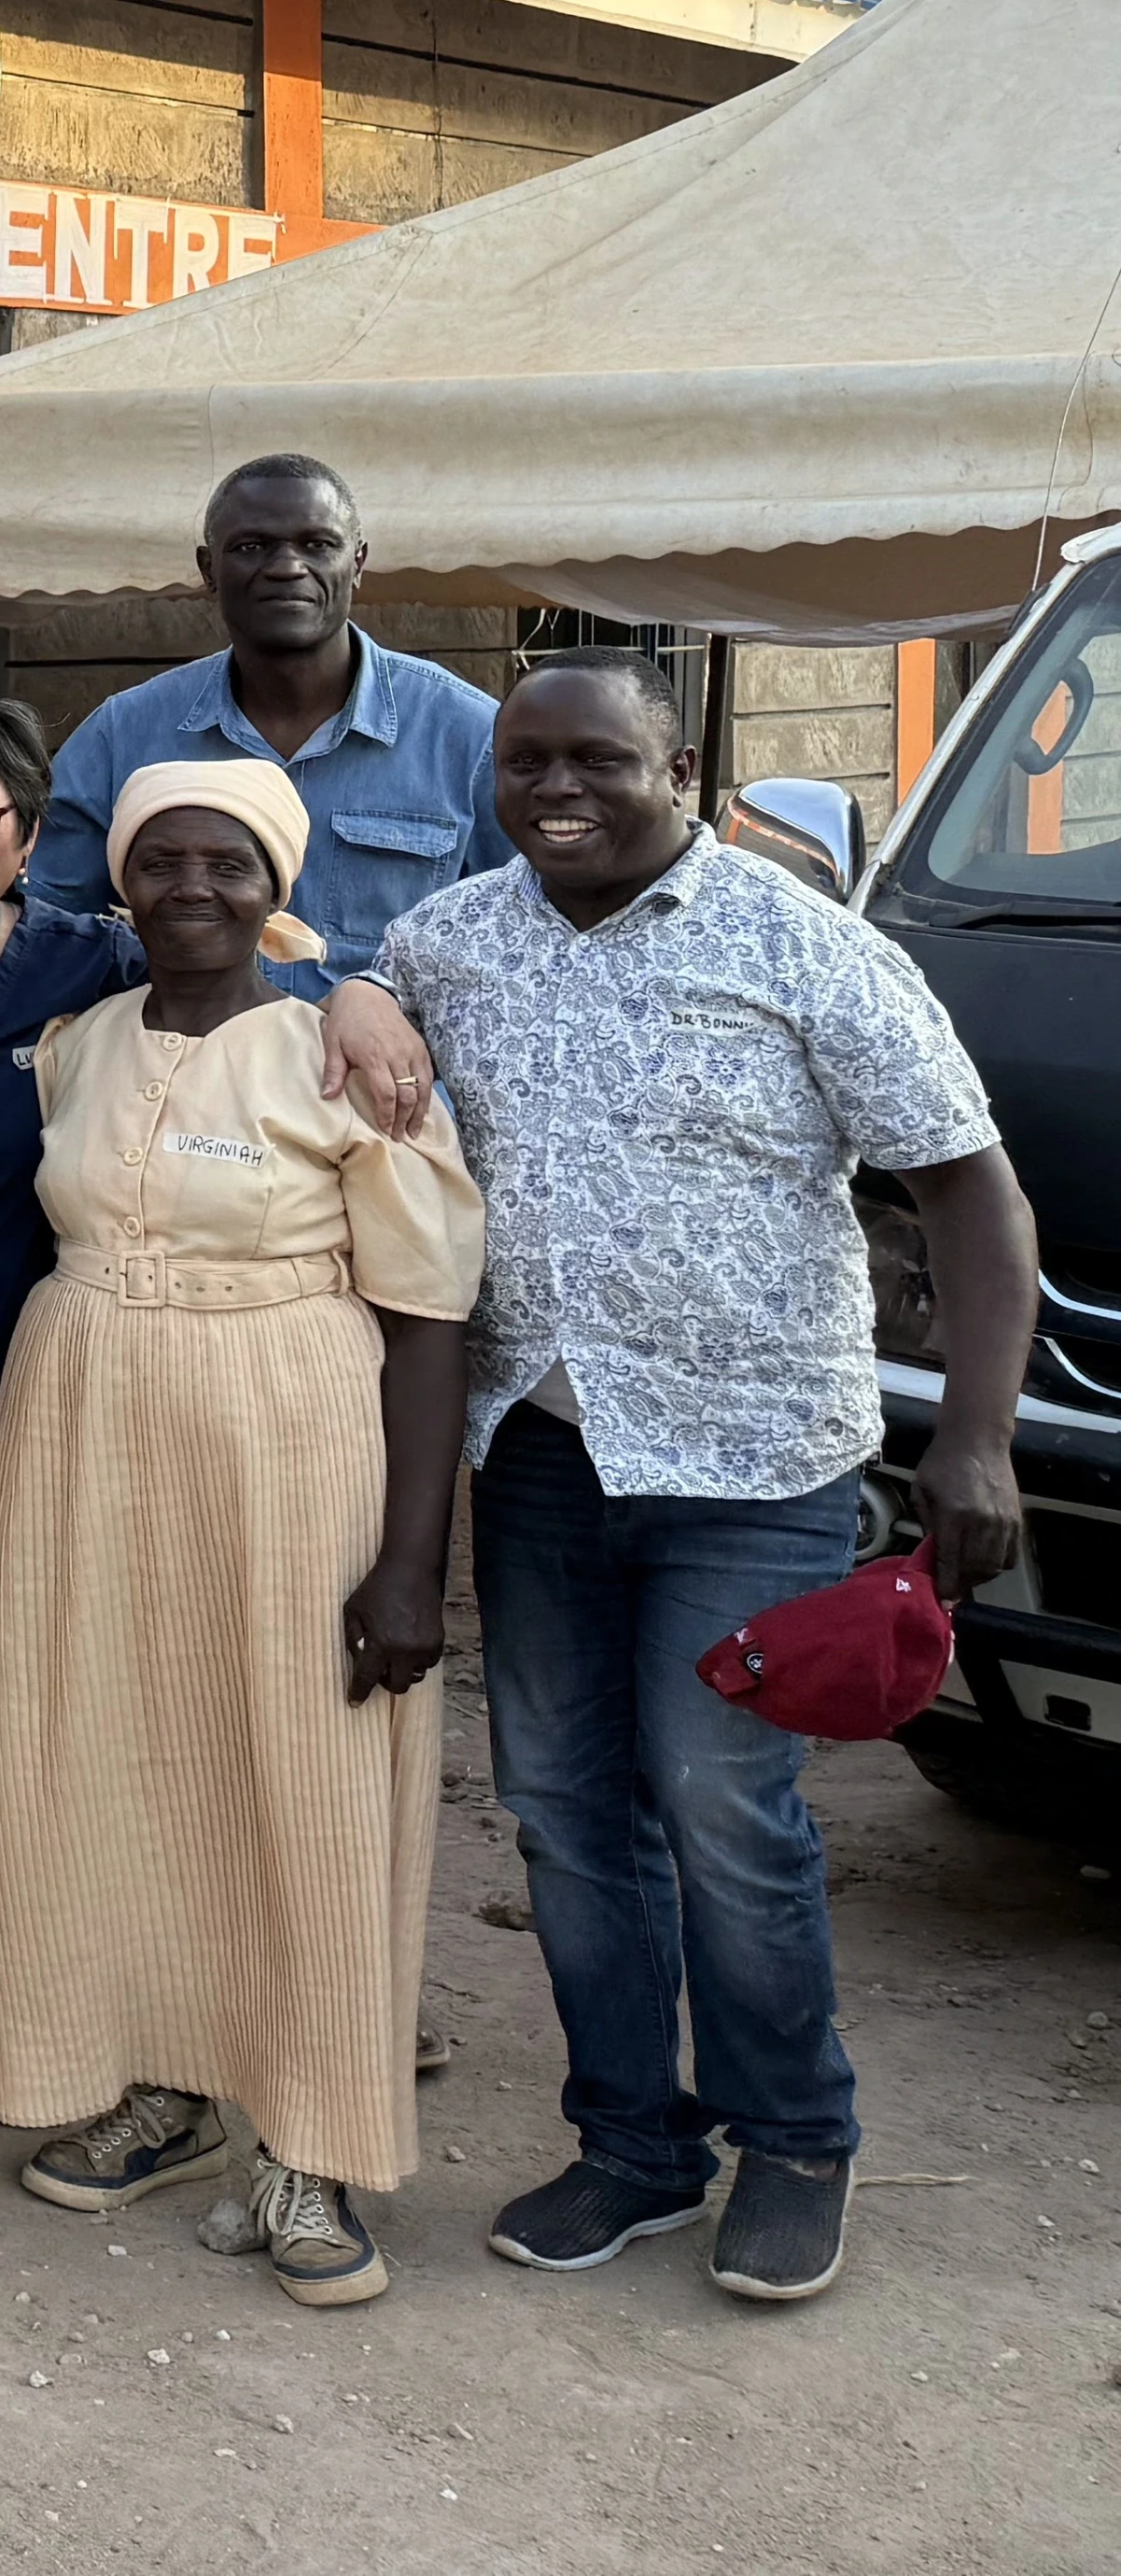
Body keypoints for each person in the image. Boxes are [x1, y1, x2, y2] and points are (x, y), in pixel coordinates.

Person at [374, 652, 1035, 2307]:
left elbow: (965, 1190)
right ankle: (630, 2142)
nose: (551, 789)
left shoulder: (803, 943)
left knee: (719, 1805)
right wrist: (343, 996)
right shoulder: (448, 944)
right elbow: (353, 1022)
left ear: (680, 764)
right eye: (522, 760)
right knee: (562, 1815)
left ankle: (793, 2137)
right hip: (538, 1450)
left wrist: (972, 1433)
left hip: (754, 1465)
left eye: (593, 759)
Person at [0, 690, 444, 2128]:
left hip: (55, 1418)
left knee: (60, 1716)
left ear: (27, 833)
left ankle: (101, 2000)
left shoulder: (83, 969)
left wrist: (365, 991)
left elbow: (263, 943)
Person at [0, 761, 486, 2310]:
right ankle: (158, 2083)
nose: (188, 889)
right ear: (117, 883)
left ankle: (310, 2143)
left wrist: (411, 1563)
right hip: (78, 1438)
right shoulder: (73, 1043)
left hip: (290, 1433)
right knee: (111, 1754)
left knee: (301, 1767)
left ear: (274, 883)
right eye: (157, 863)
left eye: (223, 863)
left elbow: (425, 1316)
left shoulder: (341, 1059)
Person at [27, 456, 507, 987]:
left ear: (359, 562)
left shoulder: (469, 736)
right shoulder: (124, 735)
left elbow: (521, 935)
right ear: (209, 569)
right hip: (179, 1066)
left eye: (318, 544)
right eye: (252, 546)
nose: (286, 567)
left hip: (381, 1072)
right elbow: (53, 927)